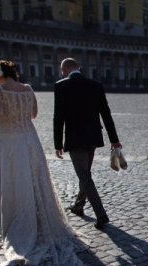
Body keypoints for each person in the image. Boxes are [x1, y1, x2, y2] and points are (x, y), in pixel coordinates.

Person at [0, 60, 86, 266]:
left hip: (10, 141)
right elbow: (33, 114)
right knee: (35, 180)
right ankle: (38, 219)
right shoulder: (28, 88)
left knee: (14, 181)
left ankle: (20, 226)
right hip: (30, 139)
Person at [53, 58, 122, 230]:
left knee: (84, 175)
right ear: (78, 68)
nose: (62, 73)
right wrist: (114, 139)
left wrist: (57, 143)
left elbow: (58, 117)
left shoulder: (61, 86)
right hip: (92, 138)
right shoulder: (95, 85)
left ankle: (101, 214)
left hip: (75, 139)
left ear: (65, 69)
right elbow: (106, 115)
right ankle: (79, 205)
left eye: (62, 71)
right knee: (86, 173)